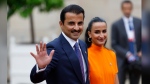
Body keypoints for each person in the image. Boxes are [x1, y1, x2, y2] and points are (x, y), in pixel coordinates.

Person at [30, 4, 90, 84]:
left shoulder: (83, 45)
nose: (76, 28)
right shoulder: (54, 48)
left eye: (80, 23)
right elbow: (35, 79)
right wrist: (41, 67)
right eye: (71, 23)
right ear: (61, 24)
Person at [111, 1, 141, 84]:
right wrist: (127, 54)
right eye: (125, 9)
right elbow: (114, 44)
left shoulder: (139, 22)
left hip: (137, 60)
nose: (127, 11)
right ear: (122, 9)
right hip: (122, 60)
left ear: (132, 9)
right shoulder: (116, 25)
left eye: (129, 8)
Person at [85, 17, 119, 84]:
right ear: (89, 34)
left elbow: (116, 81)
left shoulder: (112, 54)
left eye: (104, 31)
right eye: (97, 32)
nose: (101, 35)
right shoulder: (85, 55)